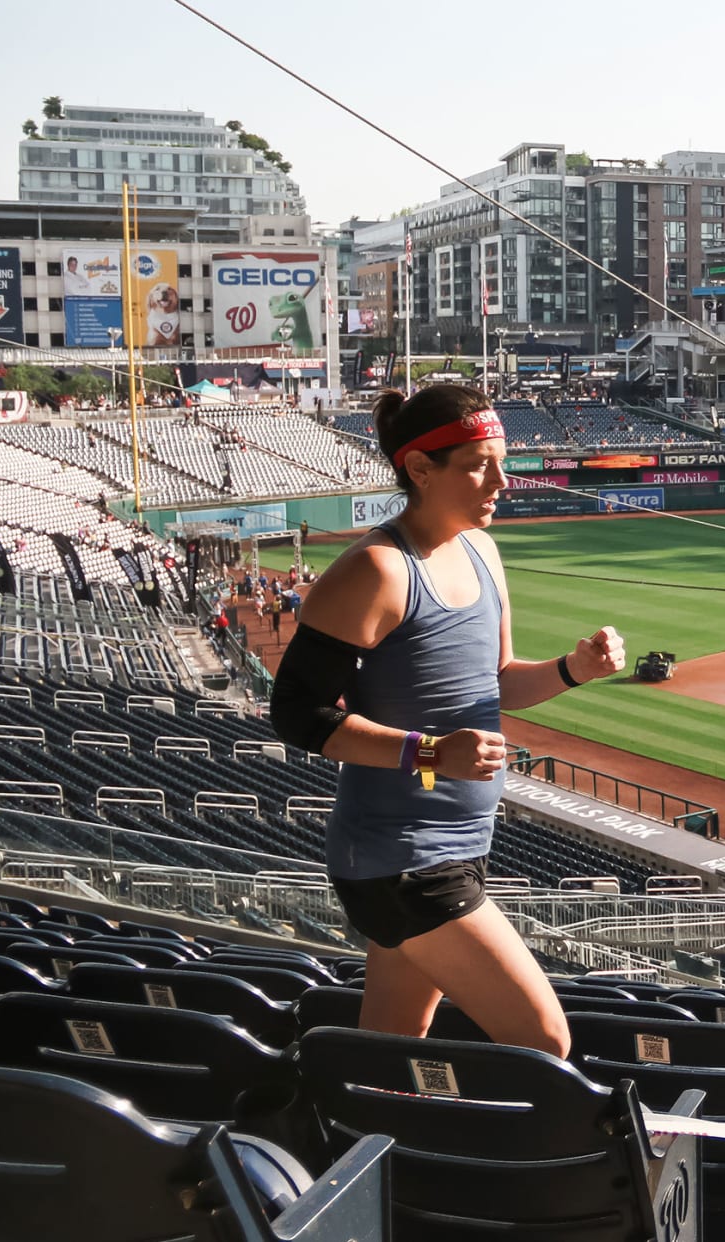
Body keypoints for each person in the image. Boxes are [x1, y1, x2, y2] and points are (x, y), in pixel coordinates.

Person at [267, 383, 625, 1057]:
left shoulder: (482, 550)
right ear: (420, 469)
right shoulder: (376, 570)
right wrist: (429, 753)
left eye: (501, 462)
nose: (501, 481)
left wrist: (574, 669)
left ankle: (348, 1117)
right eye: (479, 465)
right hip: (400, 860)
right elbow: (296, 714)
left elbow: (498, 682)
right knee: (544, 1040)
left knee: (392, 1043)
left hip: (460, 846)